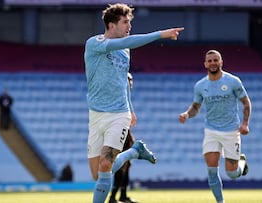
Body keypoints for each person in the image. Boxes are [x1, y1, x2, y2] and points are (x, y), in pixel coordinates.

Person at [84, 3, 184, 203]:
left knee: (105, 165)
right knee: (97, 174)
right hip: (96, 115)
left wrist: (130, 109)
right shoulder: (95, 43)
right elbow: (125, 42)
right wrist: (160, 34)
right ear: (111, 25)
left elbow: (122, 81)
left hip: (119, 114)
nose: (129, 25)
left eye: (130, 22)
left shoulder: (126, 49)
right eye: (125, 22)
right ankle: (135, 151)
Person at [178, 50, 251, 203]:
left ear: (221, 62)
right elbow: (196, 107)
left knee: (232, 174)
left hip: (231, 131)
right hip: (211, 131)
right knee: (211, 171)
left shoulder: (233, 81)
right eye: (209, 61)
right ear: (205, 64)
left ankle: (241, 164)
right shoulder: (200, 85)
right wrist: (186, 114)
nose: (212, 63)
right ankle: (220, 202)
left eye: (215, 60)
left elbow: (246, 102)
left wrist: (245, 123)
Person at [108, 73, 138, 203]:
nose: (130, 83)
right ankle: (113, 197)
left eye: (131, 81)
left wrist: (130, 136)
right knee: (121, 166)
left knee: (127, 165)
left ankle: (123, 196)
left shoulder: (125, 98)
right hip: (118, 133)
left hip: (124, 133)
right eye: (128, 81)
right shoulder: (118, 98)